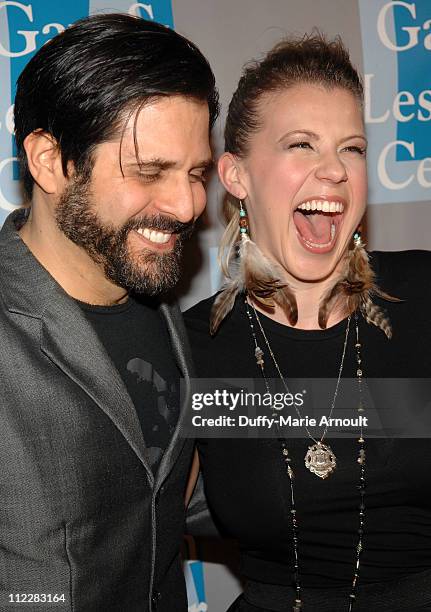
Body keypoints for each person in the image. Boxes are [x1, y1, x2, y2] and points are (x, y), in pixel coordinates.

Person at [185, 34, 431, 611]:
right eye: (302, 144)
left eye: (352, 149)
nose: (335, 171)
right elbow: (132, 544)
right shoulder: (195, 348)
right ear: (236, 176)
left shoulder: (423, 295)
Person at [0, 13, 218, 612]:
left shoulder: (169, 309)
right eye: (149, 172)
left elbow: (170, 494)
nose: (185, 204)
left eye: (196, 172)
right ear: (49, 161)